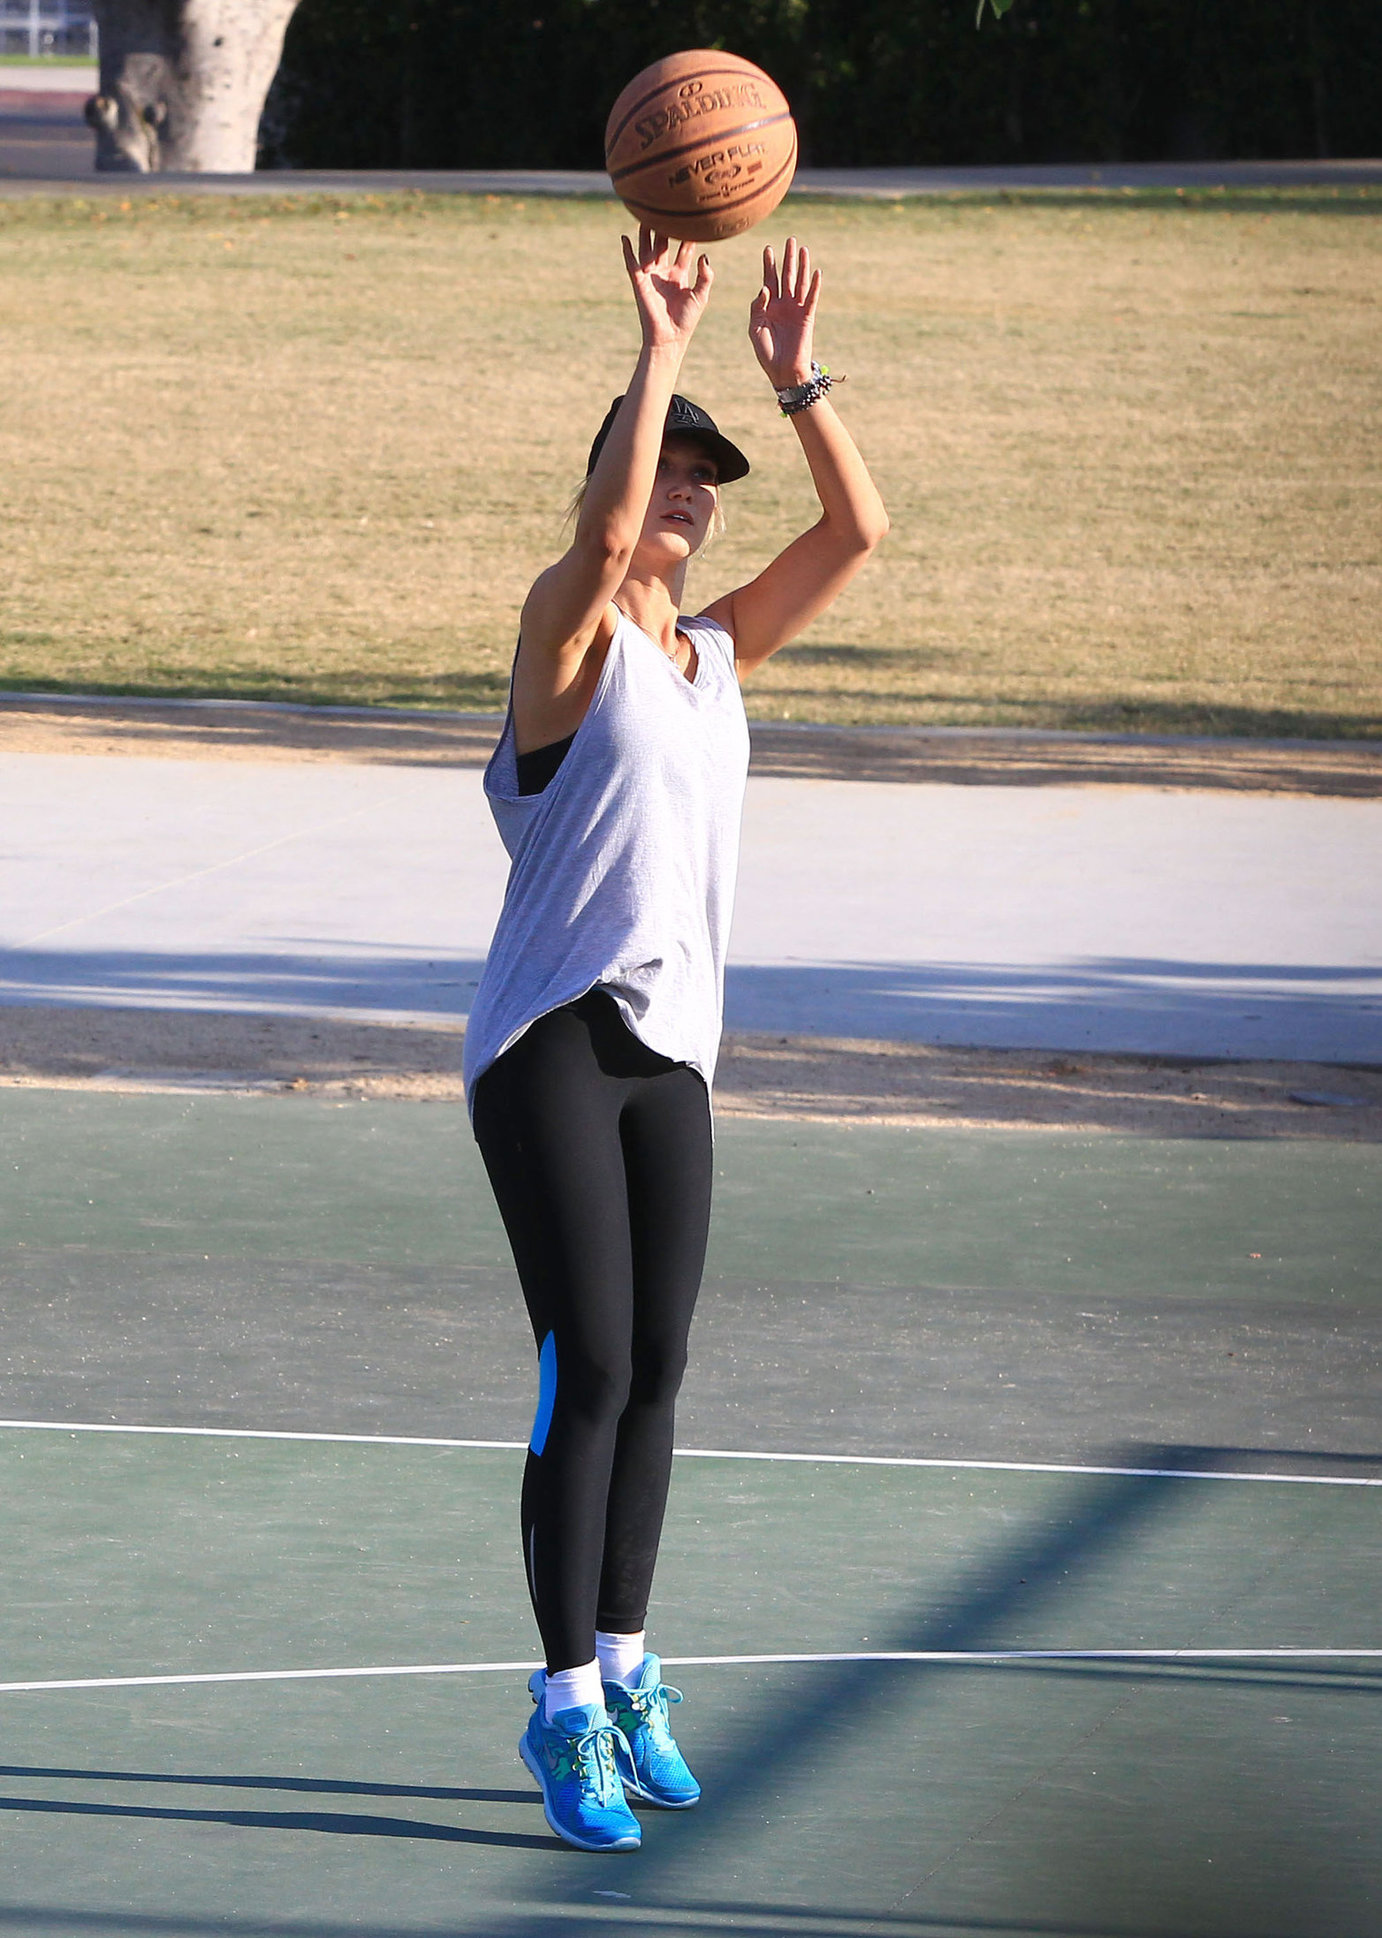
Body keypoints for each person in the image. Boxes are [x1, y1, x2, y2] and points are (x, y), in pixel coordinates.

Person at [463, 226, 888, 1853]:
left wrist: (794, 385)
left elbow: (858, 525)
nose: (691, 496)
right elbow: (598, 522)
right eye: (670, 471)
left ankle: (630, 1672)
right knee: (588, 1372)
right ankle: (562, 1704)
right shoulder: (568, 642)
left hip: (674, 1049)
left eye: (711, 478)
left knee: (659, 1373)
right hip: (550, 1045)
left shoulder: (711, 655)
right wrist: (655, 351)